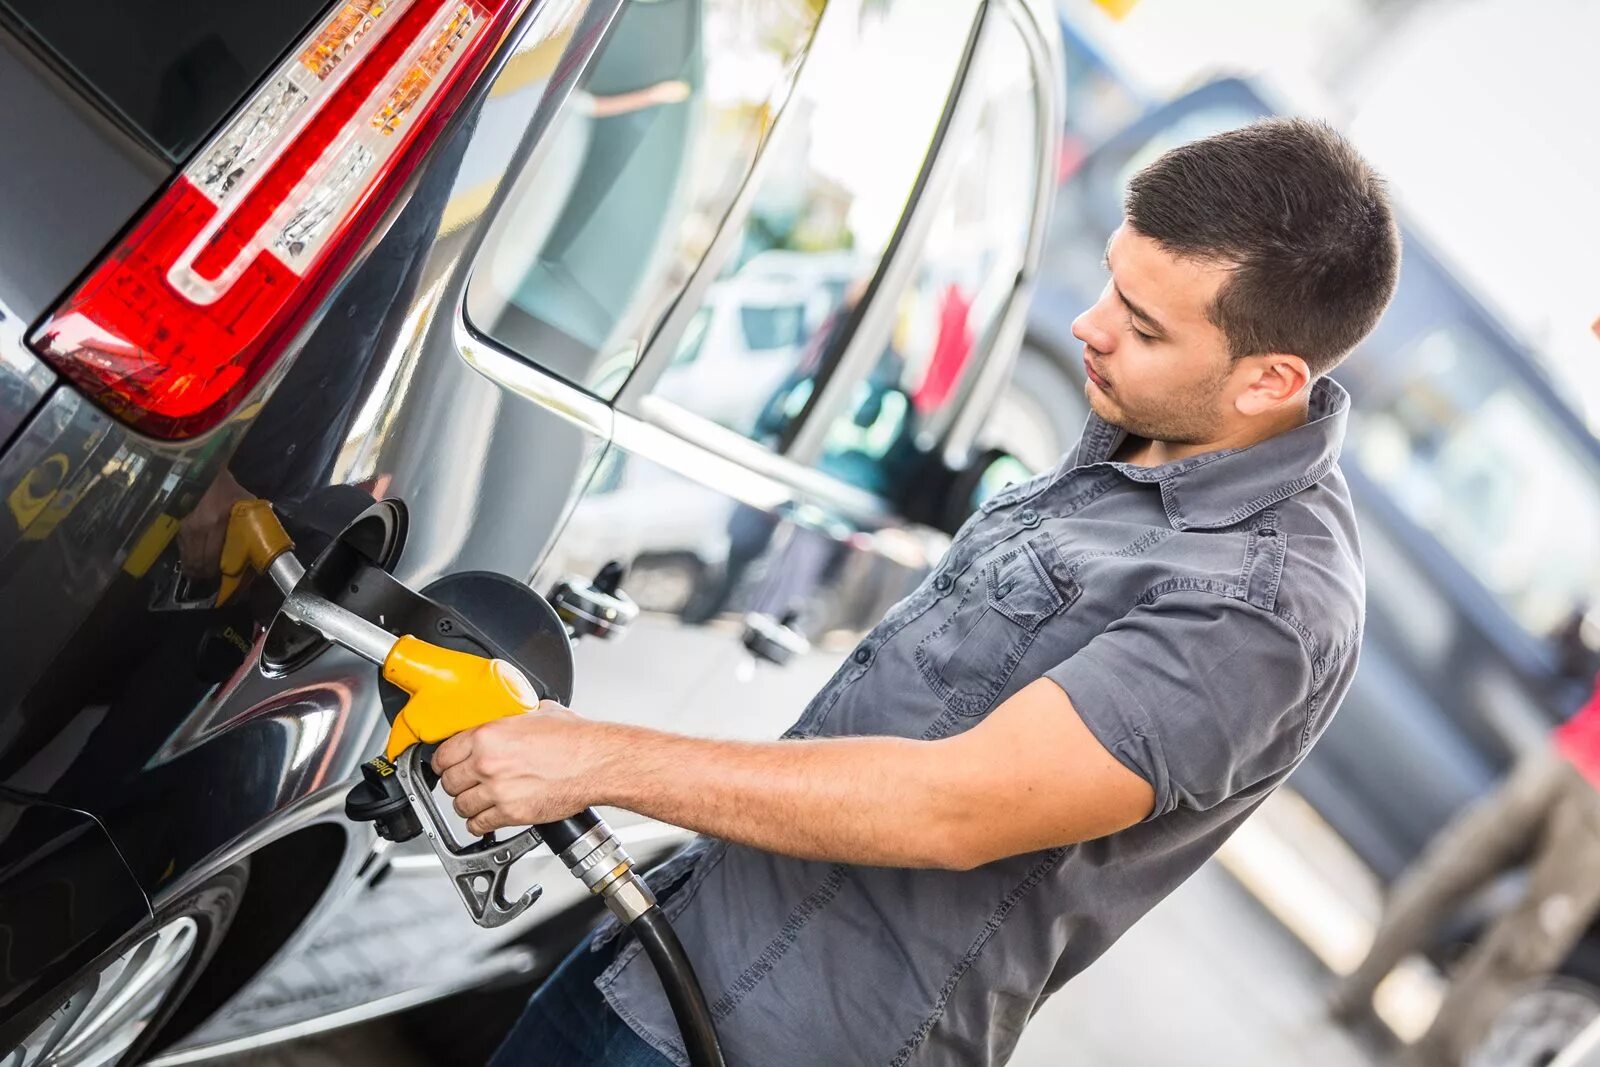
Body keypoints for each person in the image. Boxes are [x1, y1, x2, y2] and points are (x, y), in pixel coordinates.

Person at [436, 118, 1400, 1066]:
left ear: (1268, 380)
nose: (1089, 325)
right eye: (1113, 278)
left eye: (1143, 326)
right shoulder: (1145, 438)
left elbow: (953, 809)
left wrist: (596, 758)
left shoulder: (1263, 609)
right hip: (662, 952)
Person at [1328, 672, 1600, 1066]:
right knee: (1518, 952)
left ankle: (1350, 994)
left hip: (1561, 755)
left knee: (1447, 876)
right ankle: (1424, 1061)